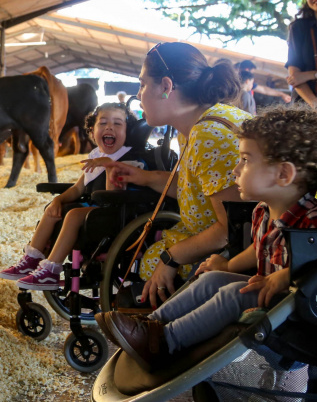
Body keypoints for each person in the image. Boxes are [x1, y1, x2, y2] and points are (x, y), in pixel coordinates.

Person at [96, 106, 317, 370]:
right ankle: (150, 324)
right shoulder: (263, 211)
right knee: (213, 278)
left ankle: (166, 342)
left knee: (233, 293)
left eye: (245, 160)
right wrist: (228, 265)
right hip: (270, 296)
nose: (235, 170)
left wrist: (289, 275)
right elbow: (259, 246)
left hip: (296, 311)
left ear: (283, 174)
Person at [92, 43, 251, 307]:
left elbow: (230, 229)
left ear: (166, 86)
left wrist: (170, 257)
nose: (139, 94)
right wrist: (143, 177)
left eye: (142, 85)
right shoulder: (196, 125)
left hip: (221, 263)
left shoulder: (209, 133)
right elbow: (199, 188)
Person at [0, 103, 146, 289]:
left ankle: (50, 271)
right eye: (103, 123)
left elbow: (114, 196)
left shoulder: (129, 160)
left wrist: (109, 165)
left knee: (74, 214)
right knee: (54, 209)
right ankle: (32, 257)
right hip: (96, 214)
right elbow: (77, 189)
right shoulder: (95, 156)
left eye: (118, 124)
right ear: (92, 132)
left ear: (127, 132)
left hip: (118, 218)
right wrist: (58, 199)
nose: (110, 127)